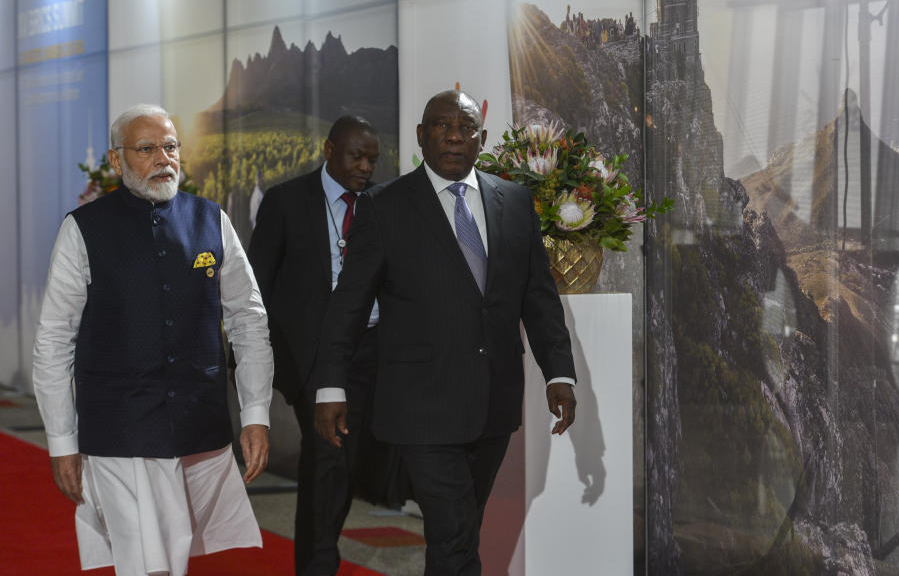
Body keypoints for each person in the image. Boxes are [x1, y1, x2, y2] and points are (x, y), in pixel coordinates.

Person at [313, 90, 578, 576]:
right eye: (441, 125)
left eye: (466, 127)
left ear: (482, 137)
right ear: (421, 135)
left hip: (493, 403)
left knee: (460, 532)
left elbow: (538, 297)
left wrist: (559, 373)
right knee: (454, 530)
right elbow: (347, 307)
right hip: (422, 407)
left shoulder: (515, 201)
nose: (455, 135)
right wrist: (330, 384)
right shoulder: (384, 207)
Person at [32, 104, 273, 576]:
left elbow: (248, 319)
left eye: (171, 147)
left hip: (198, 425)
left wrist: (256, 413)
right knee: (145, 561)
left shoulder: (211, 220)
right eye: (147, 149)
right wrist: (61, 441)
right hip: (119, 429)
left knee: (176, 554)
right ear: (117, 161)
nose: (164, 158)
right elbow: (54, 340)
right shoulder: (82, 230)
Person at [247, 115, 391, 576]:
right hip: (310, 356)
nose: (366, 167)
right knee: (328, 458)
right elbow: (258, 284)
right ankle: (317, 564)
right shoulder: (286, 201)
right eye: (357, 156)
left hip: (371, 350)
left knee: (343, 461)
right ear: (329, 150)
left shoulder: (383, 205)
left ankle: (320, 555)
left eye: (372, 158)